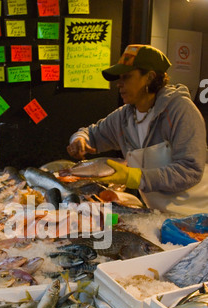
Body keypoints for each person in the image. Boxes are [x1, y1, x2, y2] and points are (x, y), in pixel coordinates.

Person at [67, 44, 208, 215]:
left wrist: (134, 177)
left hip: (197, 215)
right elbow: (91, 134)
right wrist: (79, 140)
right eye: (119, 78)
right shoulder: (124, 117)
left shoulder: (181, 111)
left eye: (126, 77)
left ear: (149, 77)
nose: (119, 84)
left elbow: (190, 170)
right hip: (157, 215)